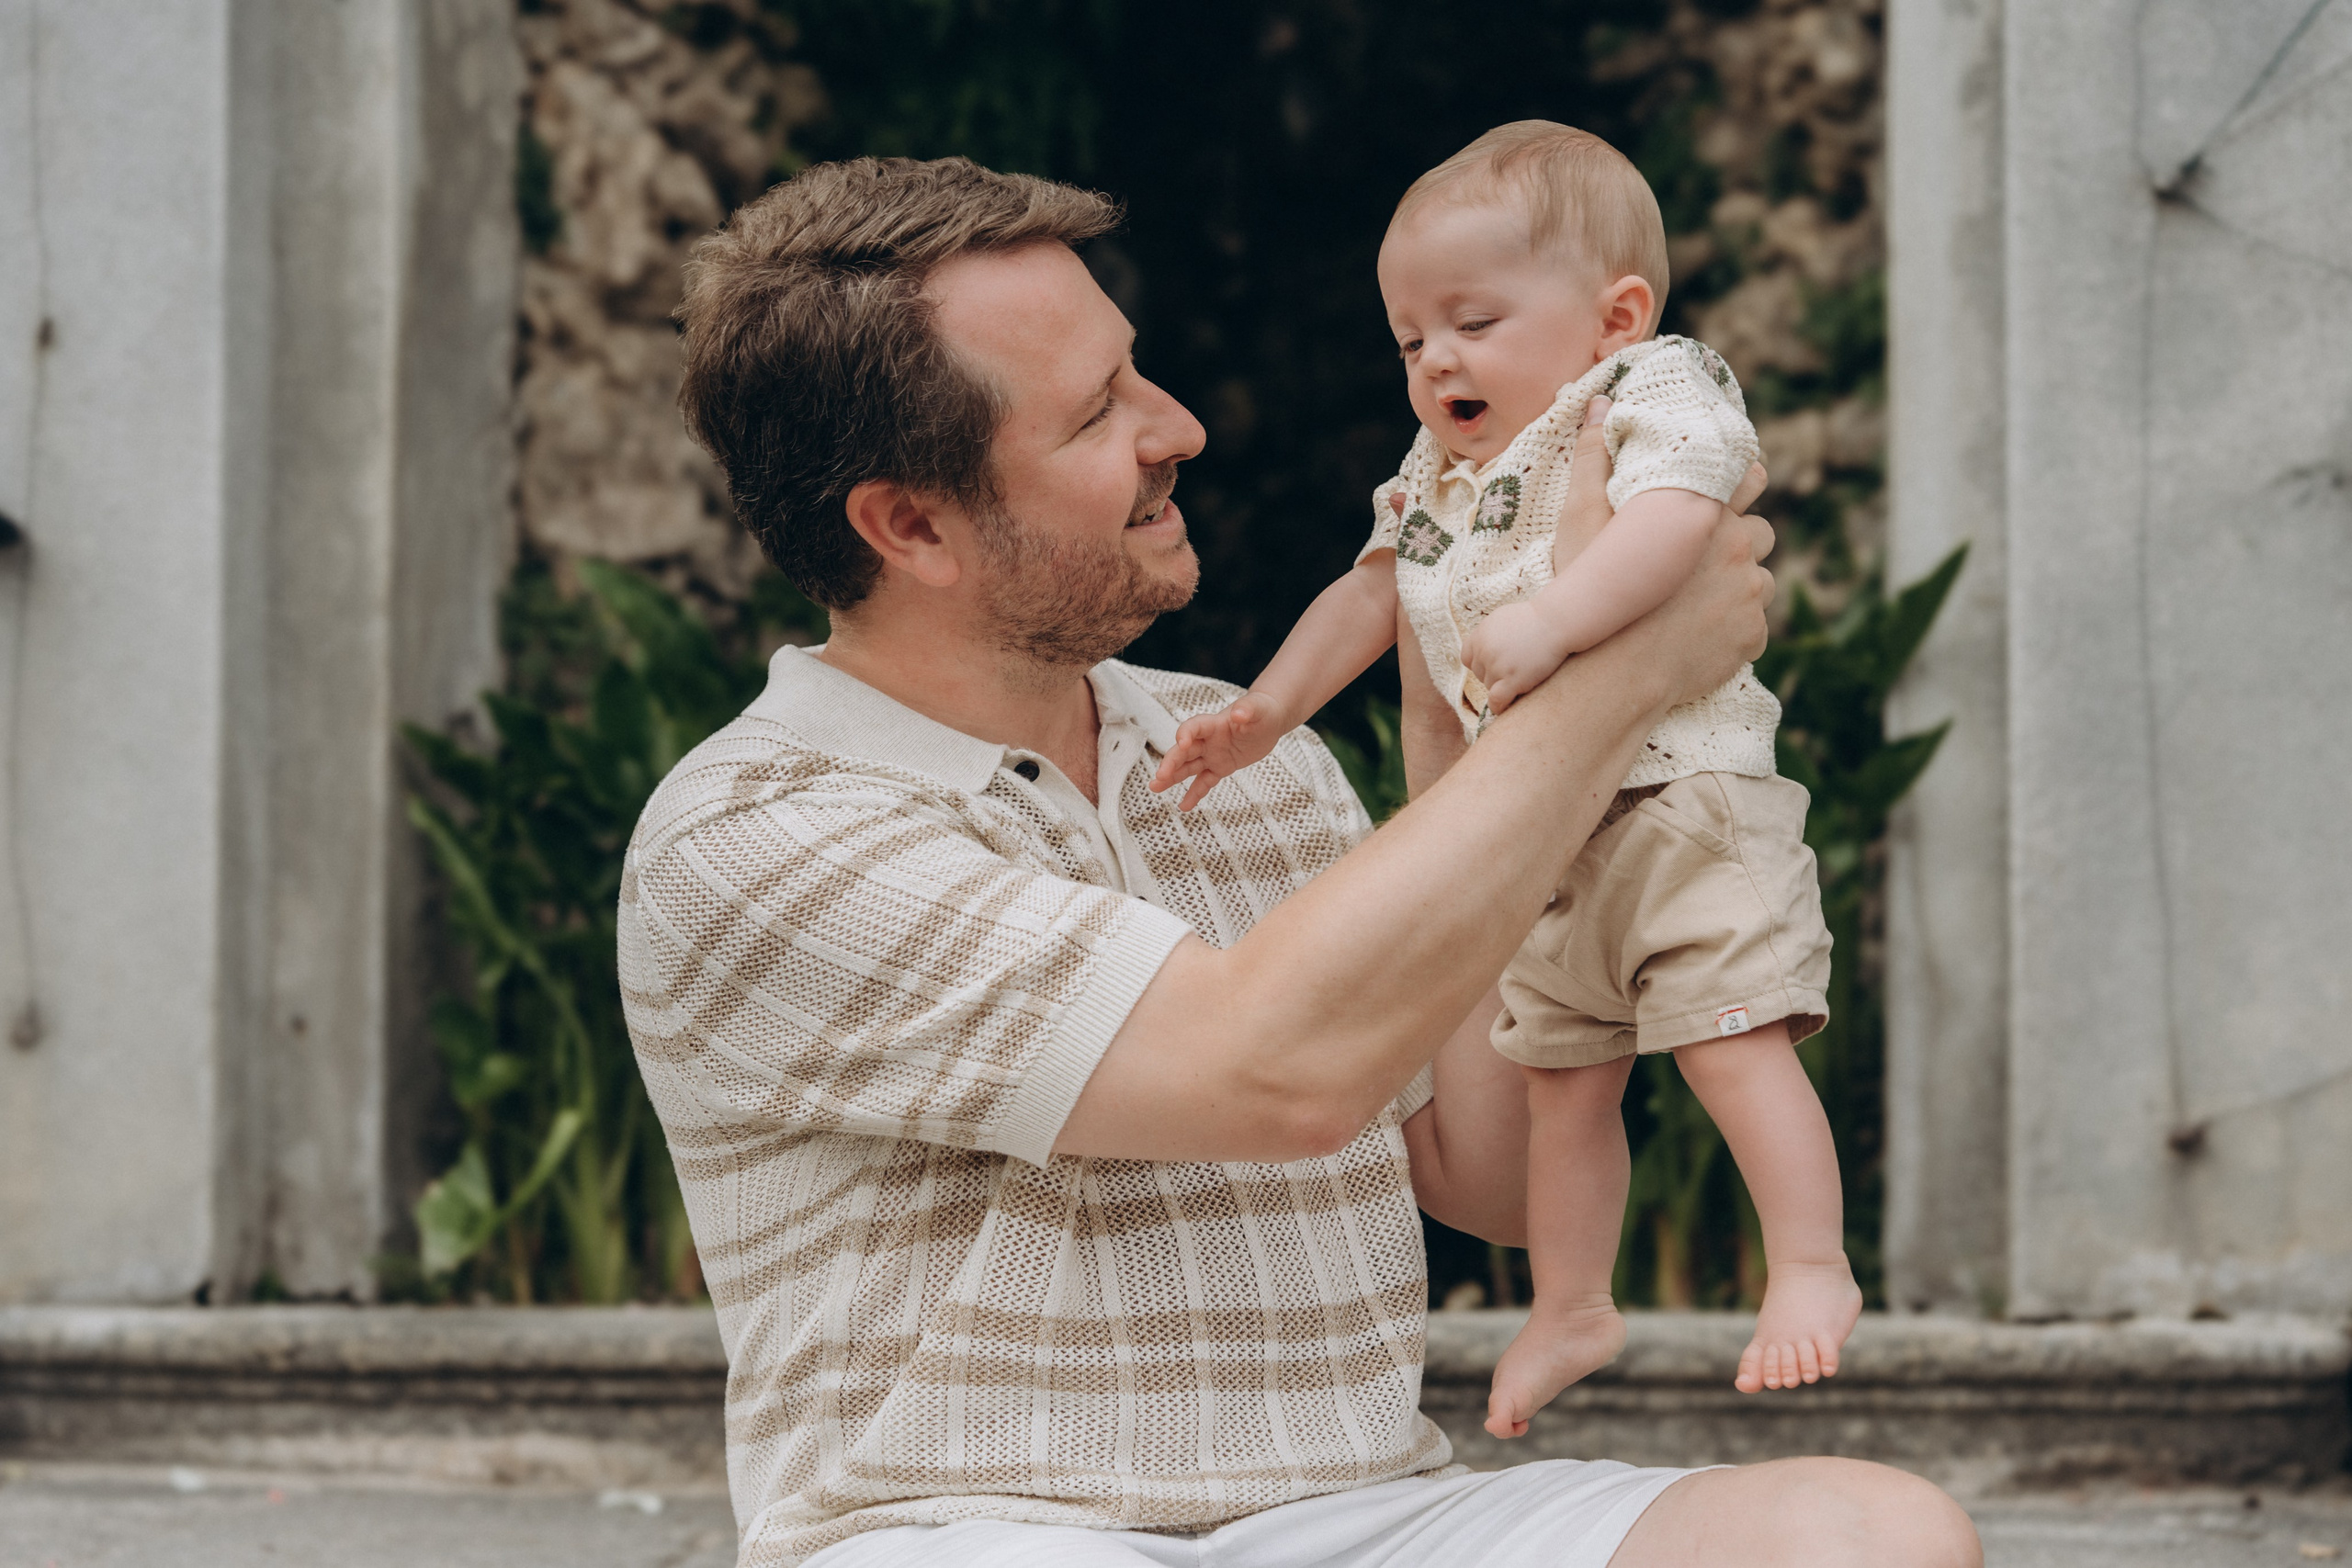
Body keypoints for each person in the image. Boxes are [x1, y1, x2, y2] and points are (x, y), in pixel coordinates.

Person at [621, 153, 1980, 1568]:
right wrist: (1622, 679)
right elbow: (1271, 1071)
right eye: (1100, 414)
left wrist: (1472, 705)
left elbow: (1496, 1181)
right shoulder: (759, 835)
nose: (1181, 428)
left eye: (1137, 373)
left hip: (1360, 1514)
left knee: (1866, 1535)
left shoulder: (1239, 748)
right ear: (911, 525)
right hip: (966, 1531)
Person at [1148, 122, 1857, 1442]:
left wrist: (1562, 621)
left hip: (1680, 799)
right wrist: (1269, 710)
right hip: (1548, 835)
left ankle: (1810, 1260)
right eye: (1411, 339)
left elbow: (1684, 525)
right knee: (1565, 1079)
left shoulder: (1650, 389)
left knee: (1726, 1033)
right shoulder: (1441, 476)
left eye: (1472, 321)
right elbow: (1370, 591)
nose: (1437, 362)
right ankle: (1571, 1304)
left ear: (1615, 313)